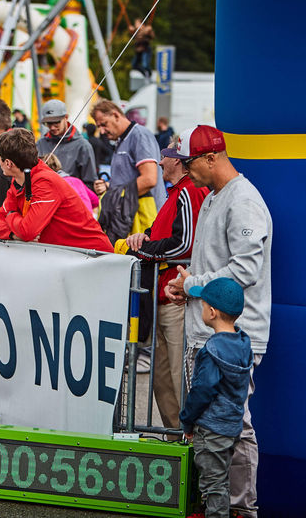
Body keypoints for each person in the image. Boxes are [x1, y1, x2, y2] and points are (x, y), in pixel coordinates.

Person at [165, 125, 271, 518]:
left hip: (234, 334)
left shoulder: (242, 200)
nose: (185, 170)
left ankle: (241, 509)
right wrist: (187, 284)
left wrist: (192, 284)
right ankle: (218, 506)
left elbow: (245, 269)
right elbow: (213, 266)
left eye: (190, 162)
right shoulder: (214, 196)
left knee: (235, 425)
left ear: (211, 158)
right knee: (216, 425)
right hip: (210, 330)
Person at [117, 145, 209, 429]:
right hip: (164, 296)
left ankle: (188, 443)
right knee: (163, 379)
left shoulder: (188, 192)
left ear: (179, 162)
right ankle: (175, 442)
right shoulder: (177, 193)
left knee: (179, 379)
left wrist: (144, 251)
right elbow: (164, 235)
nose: (159, 161)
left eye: (165, 156)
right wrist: (142, 239)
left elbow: (185, 245)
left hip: (176, 300)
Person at [180, 278, 253, 518]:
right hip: (231, 428)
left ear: (212, 312)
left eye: (202, 306)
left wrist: (187, 420)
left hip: (211, 430)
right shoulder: (243, 344)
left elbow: (202, 390)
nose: (202, 311)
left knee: (213, 487)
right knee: (220, 480)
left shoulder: (211, 351)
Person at [0, 128, 112, 251]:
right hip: (64, 255)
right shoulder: (17, 181)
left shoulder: (46, 182)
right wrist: (13, 235)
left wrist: (11, 215)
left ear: (8, 163)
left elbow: (27, 231)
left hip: (92, 255)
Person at [91, 100, 166, 234]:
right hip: (128, 218)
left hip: (143, 220)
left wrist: (115, 197)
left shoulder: (139, 135)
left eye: (104, 124)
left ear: (116, 115)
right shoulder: (121, 139)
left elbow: (149, 179)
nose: (102, 131)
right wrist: (109, 186)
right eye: (99, 127)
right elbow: (128, 178)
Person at [36, 100, 97, 188]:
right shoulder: (40, 144)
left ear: (66, 117)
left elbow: (89, 183)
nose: (52, 127)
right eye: (49, 123)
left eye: (56, 122)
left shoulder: (83, 146)